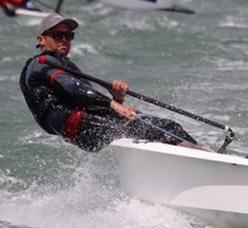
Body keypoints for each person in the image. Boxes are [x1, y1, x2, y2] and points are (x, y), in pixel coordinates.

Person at [19, 13, 198, 152]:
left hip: (89, 121)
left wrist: (116, 98)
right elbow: (72, 87)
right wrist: (111, 103)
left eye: (69, 36)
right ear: (41, 39)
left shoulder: (66, 65)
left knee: (169, 127)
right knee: (144, 132)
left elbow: (85, 96)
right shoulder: (39, 65)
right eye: (58, 35)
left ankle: (208, 157)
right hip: (77, 125)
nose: (64, 40)